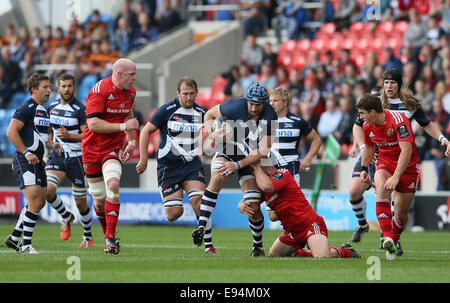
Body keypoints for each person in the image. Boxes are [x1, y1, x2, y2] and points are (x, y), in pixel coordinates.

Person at [192, 82, 277, 257]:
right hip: (229, 149)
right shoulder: (233, 106)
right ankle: (201, 226)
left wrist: (238, 165)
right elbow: (208, 115)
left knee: (252, 206)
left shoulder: (270, 116)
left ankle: (257, 246)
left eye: (258, 105)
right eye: (251, 103)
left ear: (265, 103)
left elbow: (263, 151)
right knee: (216, 178)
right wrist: (212, 133)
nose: (254, 108)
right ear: (246, 100)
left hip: (251, 158)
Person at [136, 76, 216, 254]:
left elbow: (213, 131)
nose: (188, 97)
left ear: (196, 93)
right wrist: (143, 159)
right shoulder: (167, 110)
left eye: (191, 93)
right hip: (168, 167)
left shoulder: (202, 112)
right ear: (178, 93)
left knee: (199, 201)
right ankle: (176, 198)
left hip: (191, 164)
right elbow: (146, 131)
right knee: (174, 214)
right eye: (185, 93)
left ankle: (209, 246)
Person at [238, 158, 361, 259]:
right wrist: (241, 206)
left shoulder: (282, 174)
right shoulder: (262, 188)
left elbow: (267, 186)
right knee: (274, 255)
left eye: (258, 172)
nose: (255, 176)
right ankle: (308, 252)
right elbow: (248, 202)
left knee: (322, 257)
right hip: (292, 232)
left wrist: (255, 167)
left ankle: (347, 251)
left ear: (270, 169)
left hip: (310, 224)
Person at [81, 58, 139, 255]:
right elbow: (93, 124)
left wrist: (130, 142)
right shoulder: (99, 91)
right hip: (91, 150)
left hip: (112, 149)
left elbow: (128, 114)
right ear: (119, 74)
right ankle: (108, 235)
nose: (135, 78)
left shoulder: (131, 92)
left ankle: (109, 238)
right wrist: (124, 127)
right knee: (98, 200)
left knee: (113, 185)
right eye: (132, 75)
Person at [357, 94, 419, 260]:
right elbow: (369, 147)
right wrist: (364, 167)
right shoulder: (367, 126)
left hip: (407, 167)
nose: (360, 117)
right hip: (385, 163)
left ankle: (394, 241)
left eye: (362, 113)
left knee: (401, 214)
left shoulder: (398, 121)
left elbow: (407, 151)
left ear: (372, 112)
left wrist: (397, 176)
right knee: (381, 189)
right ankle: (387, 236)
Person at [4, 73, 52, 254]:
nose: (49, 90)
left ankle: (15, 237)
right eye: (45, 87)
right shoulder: (27, 107)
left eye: (49, 87)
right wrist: (26, 152)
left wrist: (51, 144)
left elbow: (40, 136)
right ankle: (25, 245)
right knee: (36, 199)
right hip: (25, 159)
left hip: (38, 160)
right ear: (34, 90)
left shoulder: (43, 110)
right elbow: (11, 132)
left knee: (39, 203)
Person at [44, 73, 93, 248]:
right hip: (58, 155)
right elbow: (48, 130)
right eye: (63, 86)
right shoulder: (52, 107)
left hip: (77, 159)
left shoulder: (80, 110)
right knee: (47, 191)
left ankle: (87, 236)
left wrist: (69, 136)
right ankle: (65, 215)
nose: (66, 89)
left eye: (70, 86)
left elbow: (88, 136)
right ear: (58, 88)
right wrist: (50, 144)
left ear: (74, 88)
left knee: (80, 202)